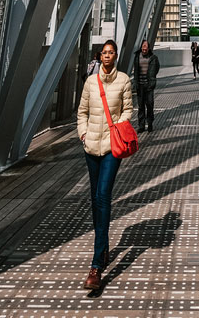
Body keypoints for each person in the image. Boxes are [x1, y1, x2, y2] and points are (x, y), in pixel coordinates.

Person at [77, 39, 132, 292]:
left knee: (102, 196)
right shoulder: (90, 82)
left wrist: (114, 132)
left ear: (116, 56)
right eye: (104, 53)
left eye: (111, 53)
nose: (107, 56)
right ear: (100, 56)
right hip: (91, 148)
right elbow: (82, 112)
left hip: (112, 148)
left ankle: (96, 265)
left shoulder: (124, 80)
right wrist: (83, 135)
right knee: (94, 199)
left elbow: (128, 111)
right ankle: (105, 247)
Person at [132, 38, 160, 132]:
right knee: (141, 106)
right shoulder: (137, 56)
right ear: (141, 47)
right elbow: (135, 70)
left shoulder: (153, 57)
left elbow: (157, 68)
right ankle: (141, 126)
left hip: (149, 85)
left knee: (150, 104)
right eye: (143, 46)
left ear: (149, 48)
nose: (145, 48)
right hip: (140, 85)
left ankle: (150, 123)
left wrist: (152, 78)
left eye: (146, 47)